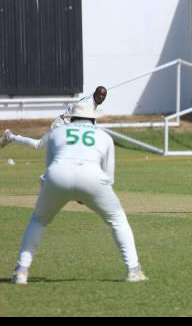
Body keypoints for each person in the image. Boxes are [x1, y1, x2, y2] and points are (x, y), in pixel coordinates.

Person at [12, 102, 148, 284]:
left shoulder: (57, 132)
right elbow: (109, 177)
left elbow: (50, 168)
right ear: (93, 118)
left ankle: (21, 271)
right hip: (92, 177)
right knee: (118, 220)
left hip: (57, 175)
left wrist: (62, 191)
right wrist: (86, 194)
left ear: (71, 117)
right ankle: (133, 270)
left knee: (39, 220)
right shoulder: (104, 136)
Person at [0, 86, 108, 150]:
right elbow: (80, 121)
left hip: (66, 127)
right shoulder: (87, 105)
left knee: (38, 145)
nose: (102, 98)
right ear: (95, 93)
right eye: (100, 95)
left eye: (104, 96)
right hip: (61, 126)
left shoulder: (92, 101)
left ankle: (10, 136)